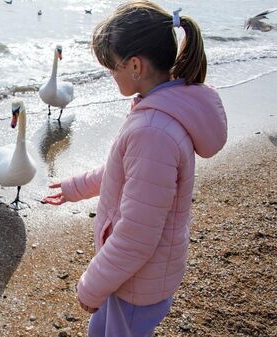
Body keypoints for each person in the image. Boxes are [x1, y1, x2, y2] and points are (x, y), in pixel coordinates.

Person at [42, 1, 228, 336]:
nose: (111, 76)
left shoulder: (153, 131)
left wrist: (91, 285)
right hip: (137, 277)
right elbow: (124, 171)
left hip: (137, 283)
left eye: (112, 68)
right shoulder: (162, 108)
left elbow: (136, 237)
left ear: (136, 66)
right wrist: (75, 188)